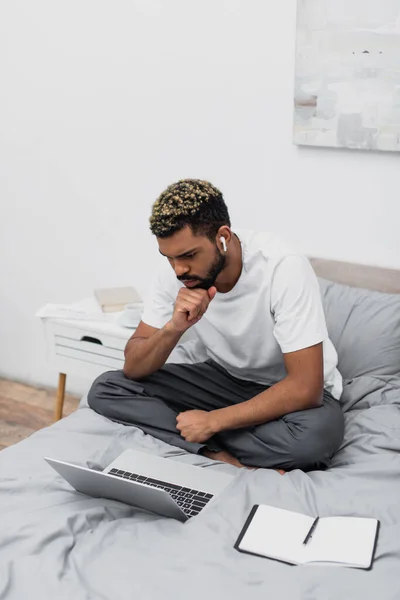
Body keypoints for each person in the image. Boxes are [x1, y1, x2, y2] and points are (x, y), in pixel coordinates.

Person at [88, 179, 344, 471]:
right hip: (224, 380)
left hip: (289, 391)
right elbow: (133, 367)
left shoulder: (283, 267)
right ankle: (214, 452)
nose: (179, 269)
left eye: (188, 256)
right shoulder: (174, 271)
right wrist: (174, 327)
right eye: (169, 258)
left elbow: (305, 388)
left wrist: (213, 421)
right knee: (106, 388)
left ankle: (193, 436)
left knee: (311, 443)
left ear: (222, 237)